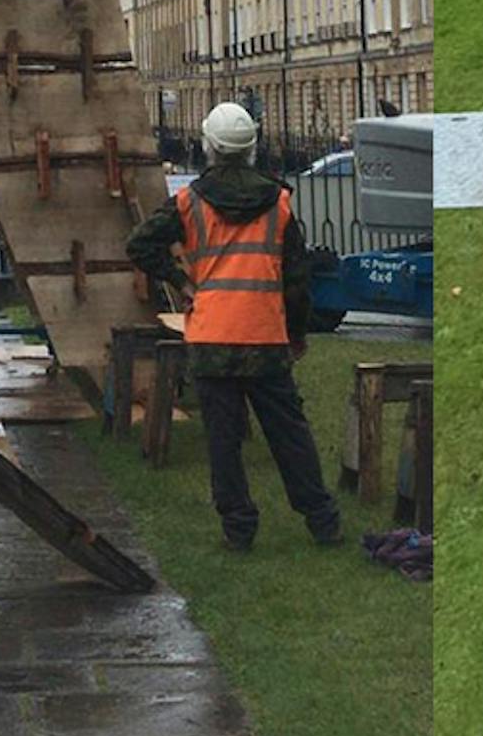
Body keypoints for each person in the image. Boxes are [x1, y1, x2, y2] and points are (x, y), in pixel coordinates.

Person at [128, 100, 345, 550]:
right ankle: (322, 520)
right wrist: (297, 334)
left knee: (224, 443)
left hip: (212, 338)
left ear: (208, 145)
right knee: (289, 433)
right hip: (265, 337)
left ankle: (239, 530)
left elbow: (140, 244)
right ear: (251, 148)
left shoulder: (188, 202)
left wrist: (182, 281)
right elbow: (296, 280)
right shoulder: (278, 204)